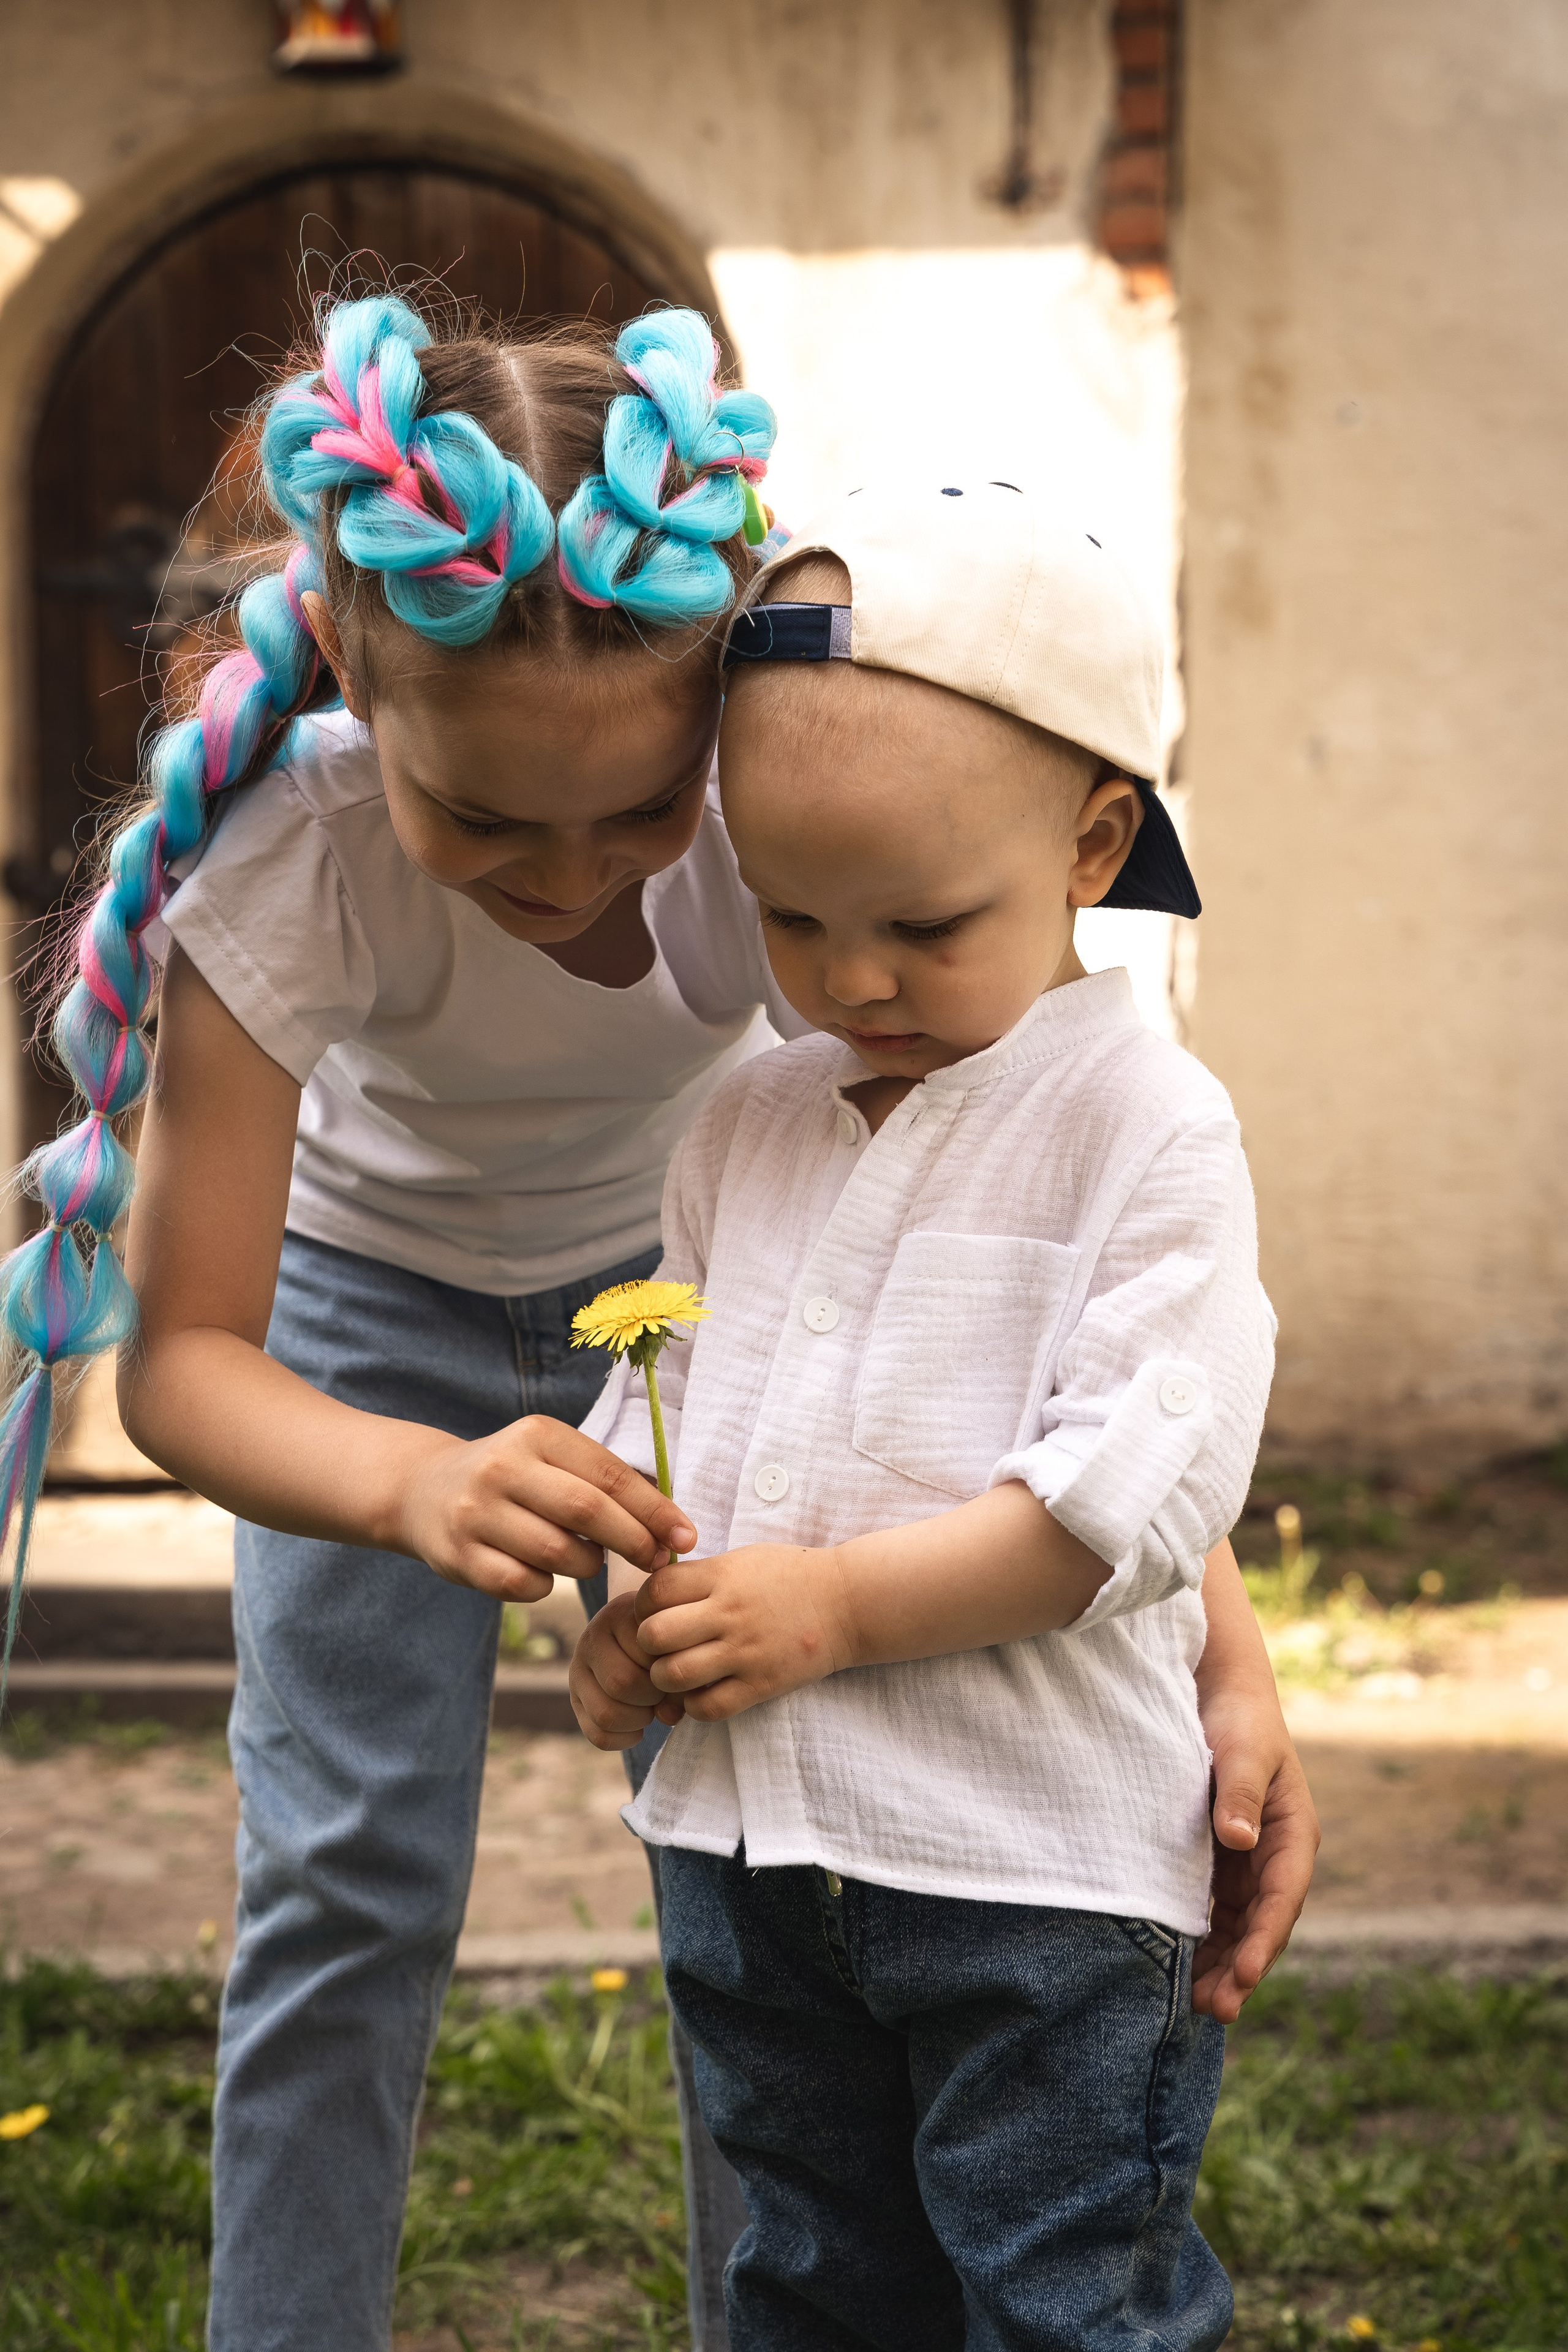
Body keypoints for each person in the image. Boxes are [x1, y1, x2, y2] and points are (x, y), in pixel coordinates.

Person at [0, 281, 1311, 2352]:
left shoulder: (786, 825)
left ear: (715, 704)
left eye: (639, 810)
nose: (585, 873)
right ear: (349, 667)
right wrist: (417, 1482)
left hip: (712, 1300)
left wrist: (1211, 1646)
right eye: (493, 822)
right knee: (342, 1886)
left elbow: (1081, 1293)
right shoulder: (289, 863)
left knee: (766, 1869)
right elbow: (180, 1363)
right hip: (363, 1325)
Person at [569, 481, 1305, 2350]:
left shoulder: (1147, 1131)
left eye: (923, 918)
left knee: (1062, 2294)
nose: (856, 978)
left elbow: (1116, 1500)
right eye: (793, 917)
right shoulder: (748, 1118)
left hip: (1029, 1883)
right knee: (809, 2280)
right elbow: (685, 1419)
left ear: (1094, 840)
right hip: (752, 1855)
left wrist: (826, 1604)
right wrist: (622, 1619)